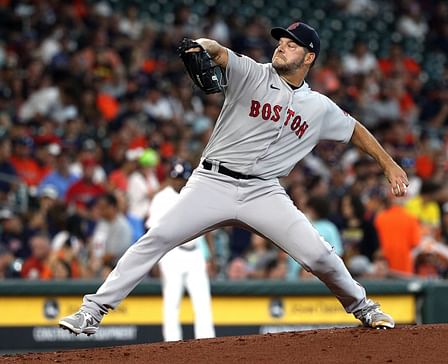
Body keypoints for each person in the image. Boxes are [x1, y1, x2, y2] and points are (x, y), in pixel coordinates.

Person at [59, 21, 409, 336]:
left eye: (291, 44)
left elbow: (355, 131)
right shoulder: (253, 73)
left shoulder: (319, 107)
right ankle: (92, 311)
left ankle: (363, 307)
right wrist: (202, 45)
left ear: (309, 57)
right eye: (280, 42)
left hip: (263, 191)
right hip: (212, 182)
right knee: (157, 238)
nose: (281, 47)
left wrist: (388, 164)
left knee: (318, 256)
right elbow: (220, 51)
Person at [146, 160, 215, 342]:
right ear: (170, 178)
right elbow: (153, 232)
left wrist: (210, 257)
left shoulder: (197, 195)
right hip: (172, 255)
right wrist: (155, 259)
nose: (179, 182)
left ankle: (207, 343)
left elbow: (207, 228)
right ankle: (171, 345)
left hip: (196, 253)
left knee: (202, 303)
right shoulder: (161, 198)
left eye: (182, 178)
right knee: (171, 303)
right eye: (176, 178)